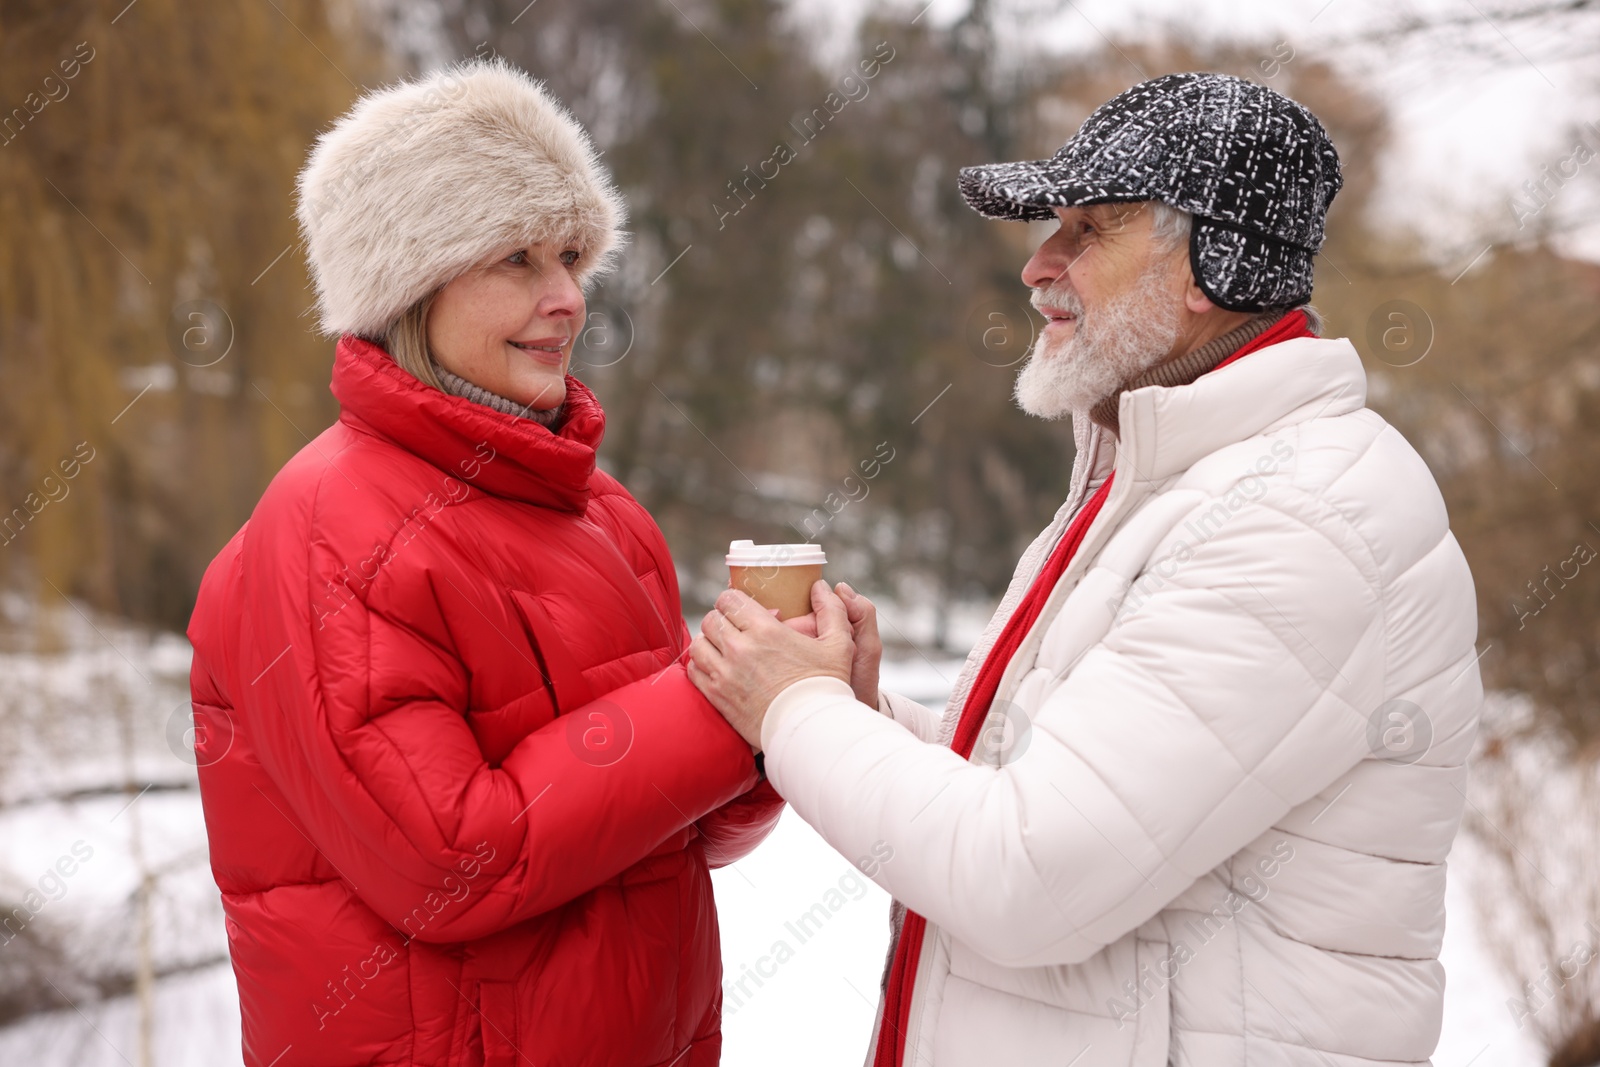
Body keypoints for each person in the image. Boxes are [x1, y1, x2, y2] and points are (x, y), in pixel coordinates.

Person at [688, 72, 1482, 1066]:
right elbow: (1059, 785)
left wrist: (793, 716)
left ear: (1214, 265)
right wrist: (855, 713)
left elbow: (1028, 876)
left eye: (1088, 229)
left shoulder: (1298, 516)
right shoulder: (1164, 474)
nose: (1037, 266)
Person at [187, 58, 781, 1067]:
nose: (567, 300)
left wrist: (779, 712)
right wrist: (717, 702)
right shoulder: (332, 523)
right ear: (407, 284)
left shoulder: (604, 516)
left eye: (572, 257)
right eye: (516, 258)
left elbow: (686, 836)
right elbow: (452, 859)